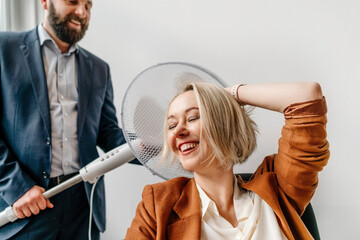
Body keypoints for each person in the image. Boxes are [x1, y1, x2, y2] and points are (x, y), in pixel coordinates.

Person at [0, 0, 139, 239]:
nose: (82, 12)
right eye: (73, 2)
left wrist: (158, 144)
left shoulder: (99, 69)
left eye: (88, 6)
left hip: (83, 206)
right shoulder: (4, 49)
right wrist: (18, 188)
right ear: (44, 1)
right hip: (27, 205)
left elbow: (109, 134)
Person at [125, 81, 329, 240]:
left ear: (224, 124)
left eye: (193, 117)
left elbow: (307, 96)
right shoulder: (158, 205)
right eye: (171, 125)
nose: (178, 131)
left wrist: (229, 95)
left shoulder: (277, 187)